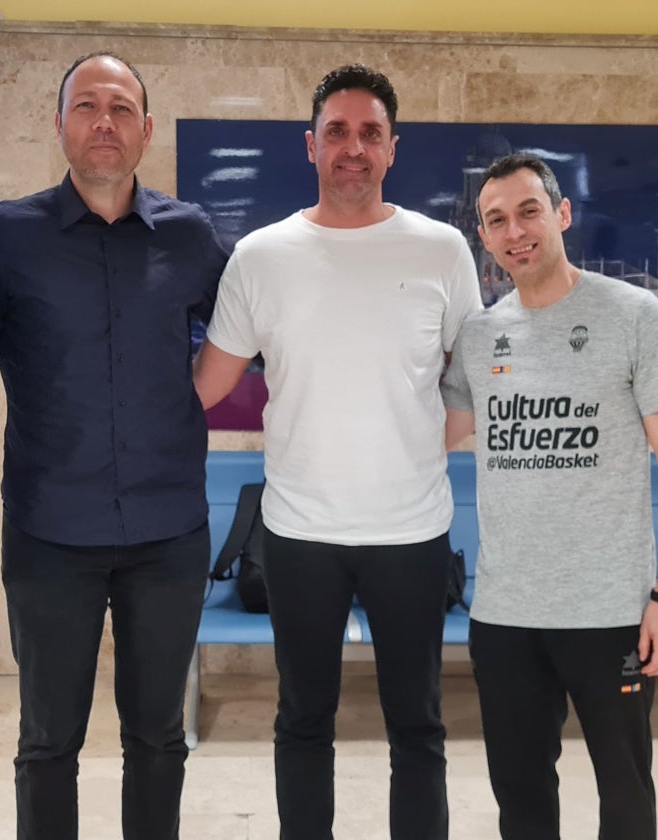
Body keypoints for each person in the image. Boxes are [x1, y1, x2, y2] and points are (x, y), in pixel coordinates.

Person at [194, 65, 482, 840]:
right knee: (303, 722)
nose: (353, 147)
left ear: (393, 148)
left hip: (412, 535)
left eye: (370, 133)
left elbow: (478, 379)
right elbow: (205, 385)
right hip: (298, 538)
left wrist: (415, 441)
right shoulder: (260, 256)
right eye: (337, 132)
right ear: (310, 146)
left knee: (417, 727)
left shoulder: (442, 251)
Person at [0, 52, 229, 840]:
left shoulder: (190, 237)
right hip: (50, 531)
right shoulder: (7, 237)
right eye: (87, 106)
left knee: (158, 739)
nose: (104, 123)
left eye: (121, 109)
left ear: (146, 130)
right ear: (59, 125)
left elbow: (251, 332)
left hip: (169, 532)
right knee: (48, 742)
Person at [441, 152, 658, 840]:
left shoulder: (634, 315)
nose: (514, 231)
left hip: (610, 611)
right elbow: (436, 434)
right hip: (505, 616)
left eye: (528, 211)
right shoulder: (479, 335)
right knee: (521, 801)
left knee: (624, 794)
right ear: (485, 237)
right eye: (495, 220)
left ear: (561, 214)